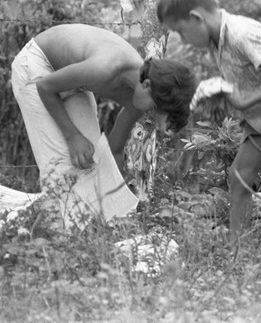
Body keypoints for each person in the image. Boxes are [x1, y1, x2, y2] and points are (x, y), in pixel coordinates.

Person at [157, 0, 261, 239]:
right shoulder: (216, 41)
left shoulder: (241, 34)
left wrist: (245, 101)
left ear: (196, 17)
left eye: (180, 30)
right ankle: (237, 252)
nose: (183, 38)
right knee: (239, 176)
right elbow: (244, 80)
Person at [10, 23, 195, 222]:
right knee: (62, 168)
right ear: (147, 85)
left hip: (72, 81)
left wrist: (115, 202)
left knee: (87, 162)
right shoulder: (105, 68)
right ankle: (49, 235)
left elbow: (113, 149)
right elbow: (46, 87)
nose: (153, 114)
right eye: (157, 107)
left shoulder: (139, 95)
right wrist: (73, 136)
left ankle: (53, 222)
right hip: (37, 66)